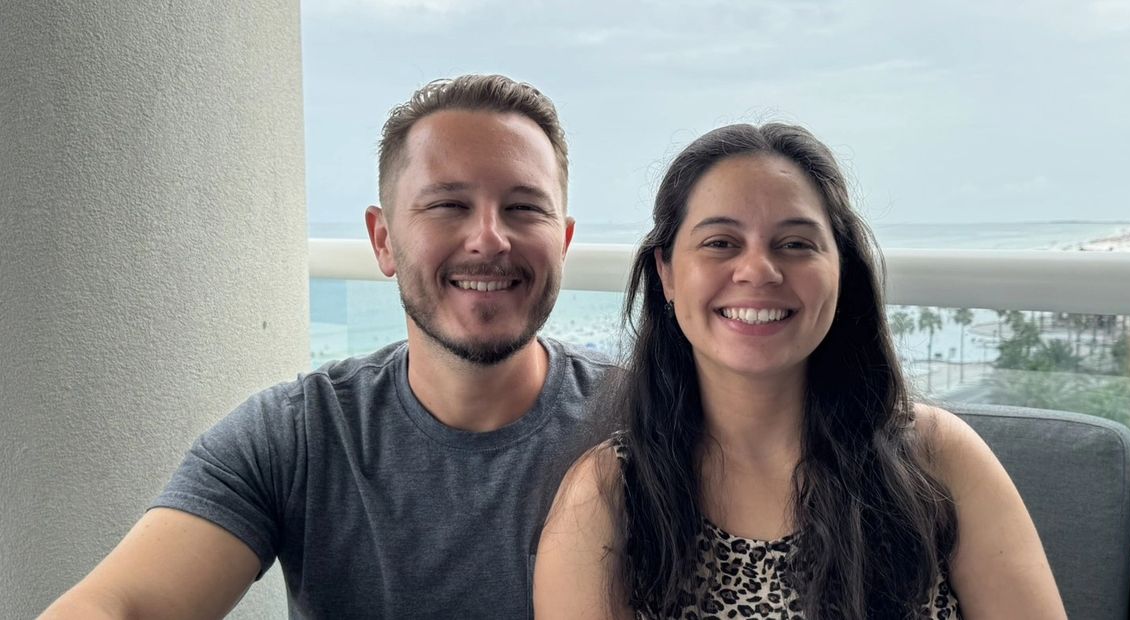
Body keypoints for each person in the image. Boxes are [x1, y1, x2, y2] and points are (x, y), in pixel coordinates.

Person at [42, 74, 617, 619]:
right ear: (383, 240)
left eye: (524, 208)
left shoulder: (642, 418)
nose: (489, 238)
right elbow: (117, 604)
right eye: (448, 205)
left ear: (564, 242)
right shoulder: (300, 434)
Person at [533, 123, 1066, 618]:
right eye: (720, 243)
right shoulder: (607, 497)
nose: (759, 270)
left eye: (795, 244)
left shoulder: (936, 458)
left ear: (841, 271)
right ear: (666, 273)